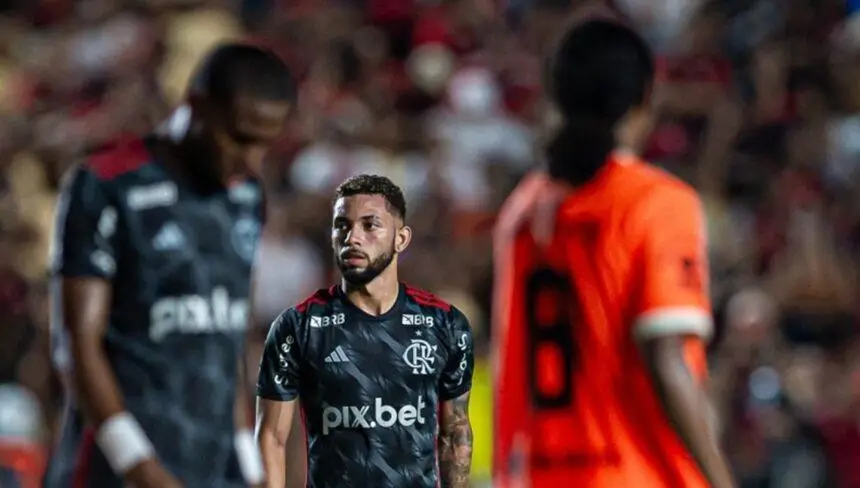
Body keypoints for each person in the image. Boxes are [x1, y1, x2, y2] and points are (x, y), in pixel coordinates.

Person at [492, 19, 734, 488]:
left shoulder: (522, 211)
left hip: (536, 475)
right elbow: (666, 358)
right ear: (645, 97)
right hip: (634, 474)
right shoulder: (655, 202)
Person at [45, 43, 295, 488]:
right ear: (196, 106)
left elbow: (227, 340)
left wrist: (251, 467)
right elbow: (78, 345)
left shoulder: (246, 195)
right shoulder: (107, 184)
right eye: (239, 137)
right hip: (118, 470)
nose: (252, 158)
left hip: (212, 470)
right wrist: (141, 469)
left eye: (265, 143)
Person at [255, 174, 475, 488]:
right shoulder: (297, 327)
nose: (353, 237)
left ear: (401, 238)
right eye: (342, 225)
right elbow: (272, 437)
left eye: (370, 225)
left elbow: (455, 432)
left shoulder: (444, 325)